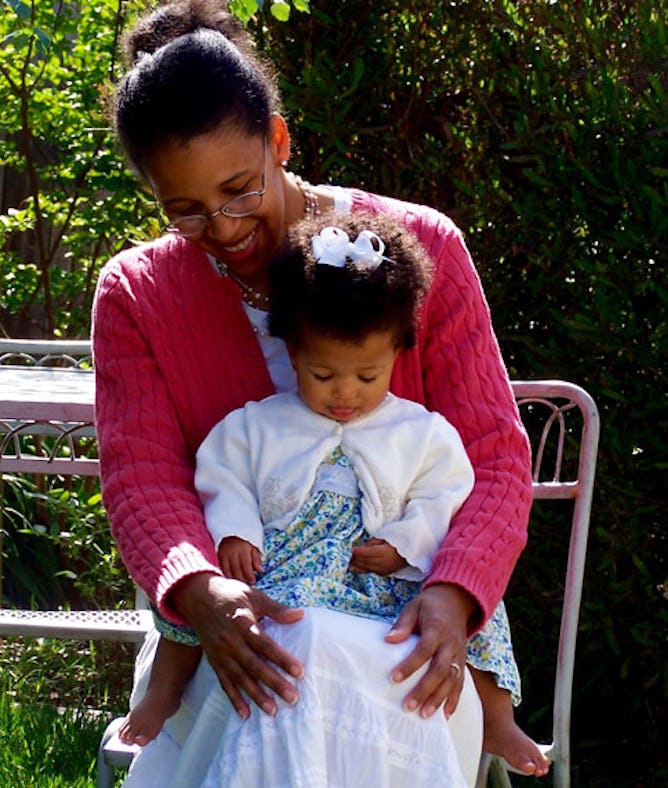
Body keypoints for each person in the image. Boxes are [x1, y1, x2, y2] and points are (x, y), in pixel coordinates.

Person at [92, 0, 547, 781]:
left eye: (240, 190)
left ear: (277, 140)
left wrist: (451, 593)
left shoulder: (420, 250)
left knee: (320, 674)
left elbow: (496, 464)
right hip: (233, 634)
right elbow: (144, 482)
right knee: (287, 675)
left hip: (412, 632)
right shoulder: (136, 294)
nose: (224, 228)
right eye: (186, 212)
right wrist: (202, 592)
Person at [116, 211, 542, 782]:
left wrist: (404, 543)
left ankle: (497, 715)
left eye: (367, 378)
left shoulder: (422, 431)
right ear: (293, 355)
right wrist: (237, 530)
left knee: (477, 602)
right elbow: (222, 476)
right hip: (289, 570)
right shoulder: (258, 425)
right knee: (200, 596)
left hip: (384, 582)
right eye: (323, 375)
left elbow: (446, 494)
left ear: (397, 353)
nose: (345, 394)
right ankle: (163, 693)